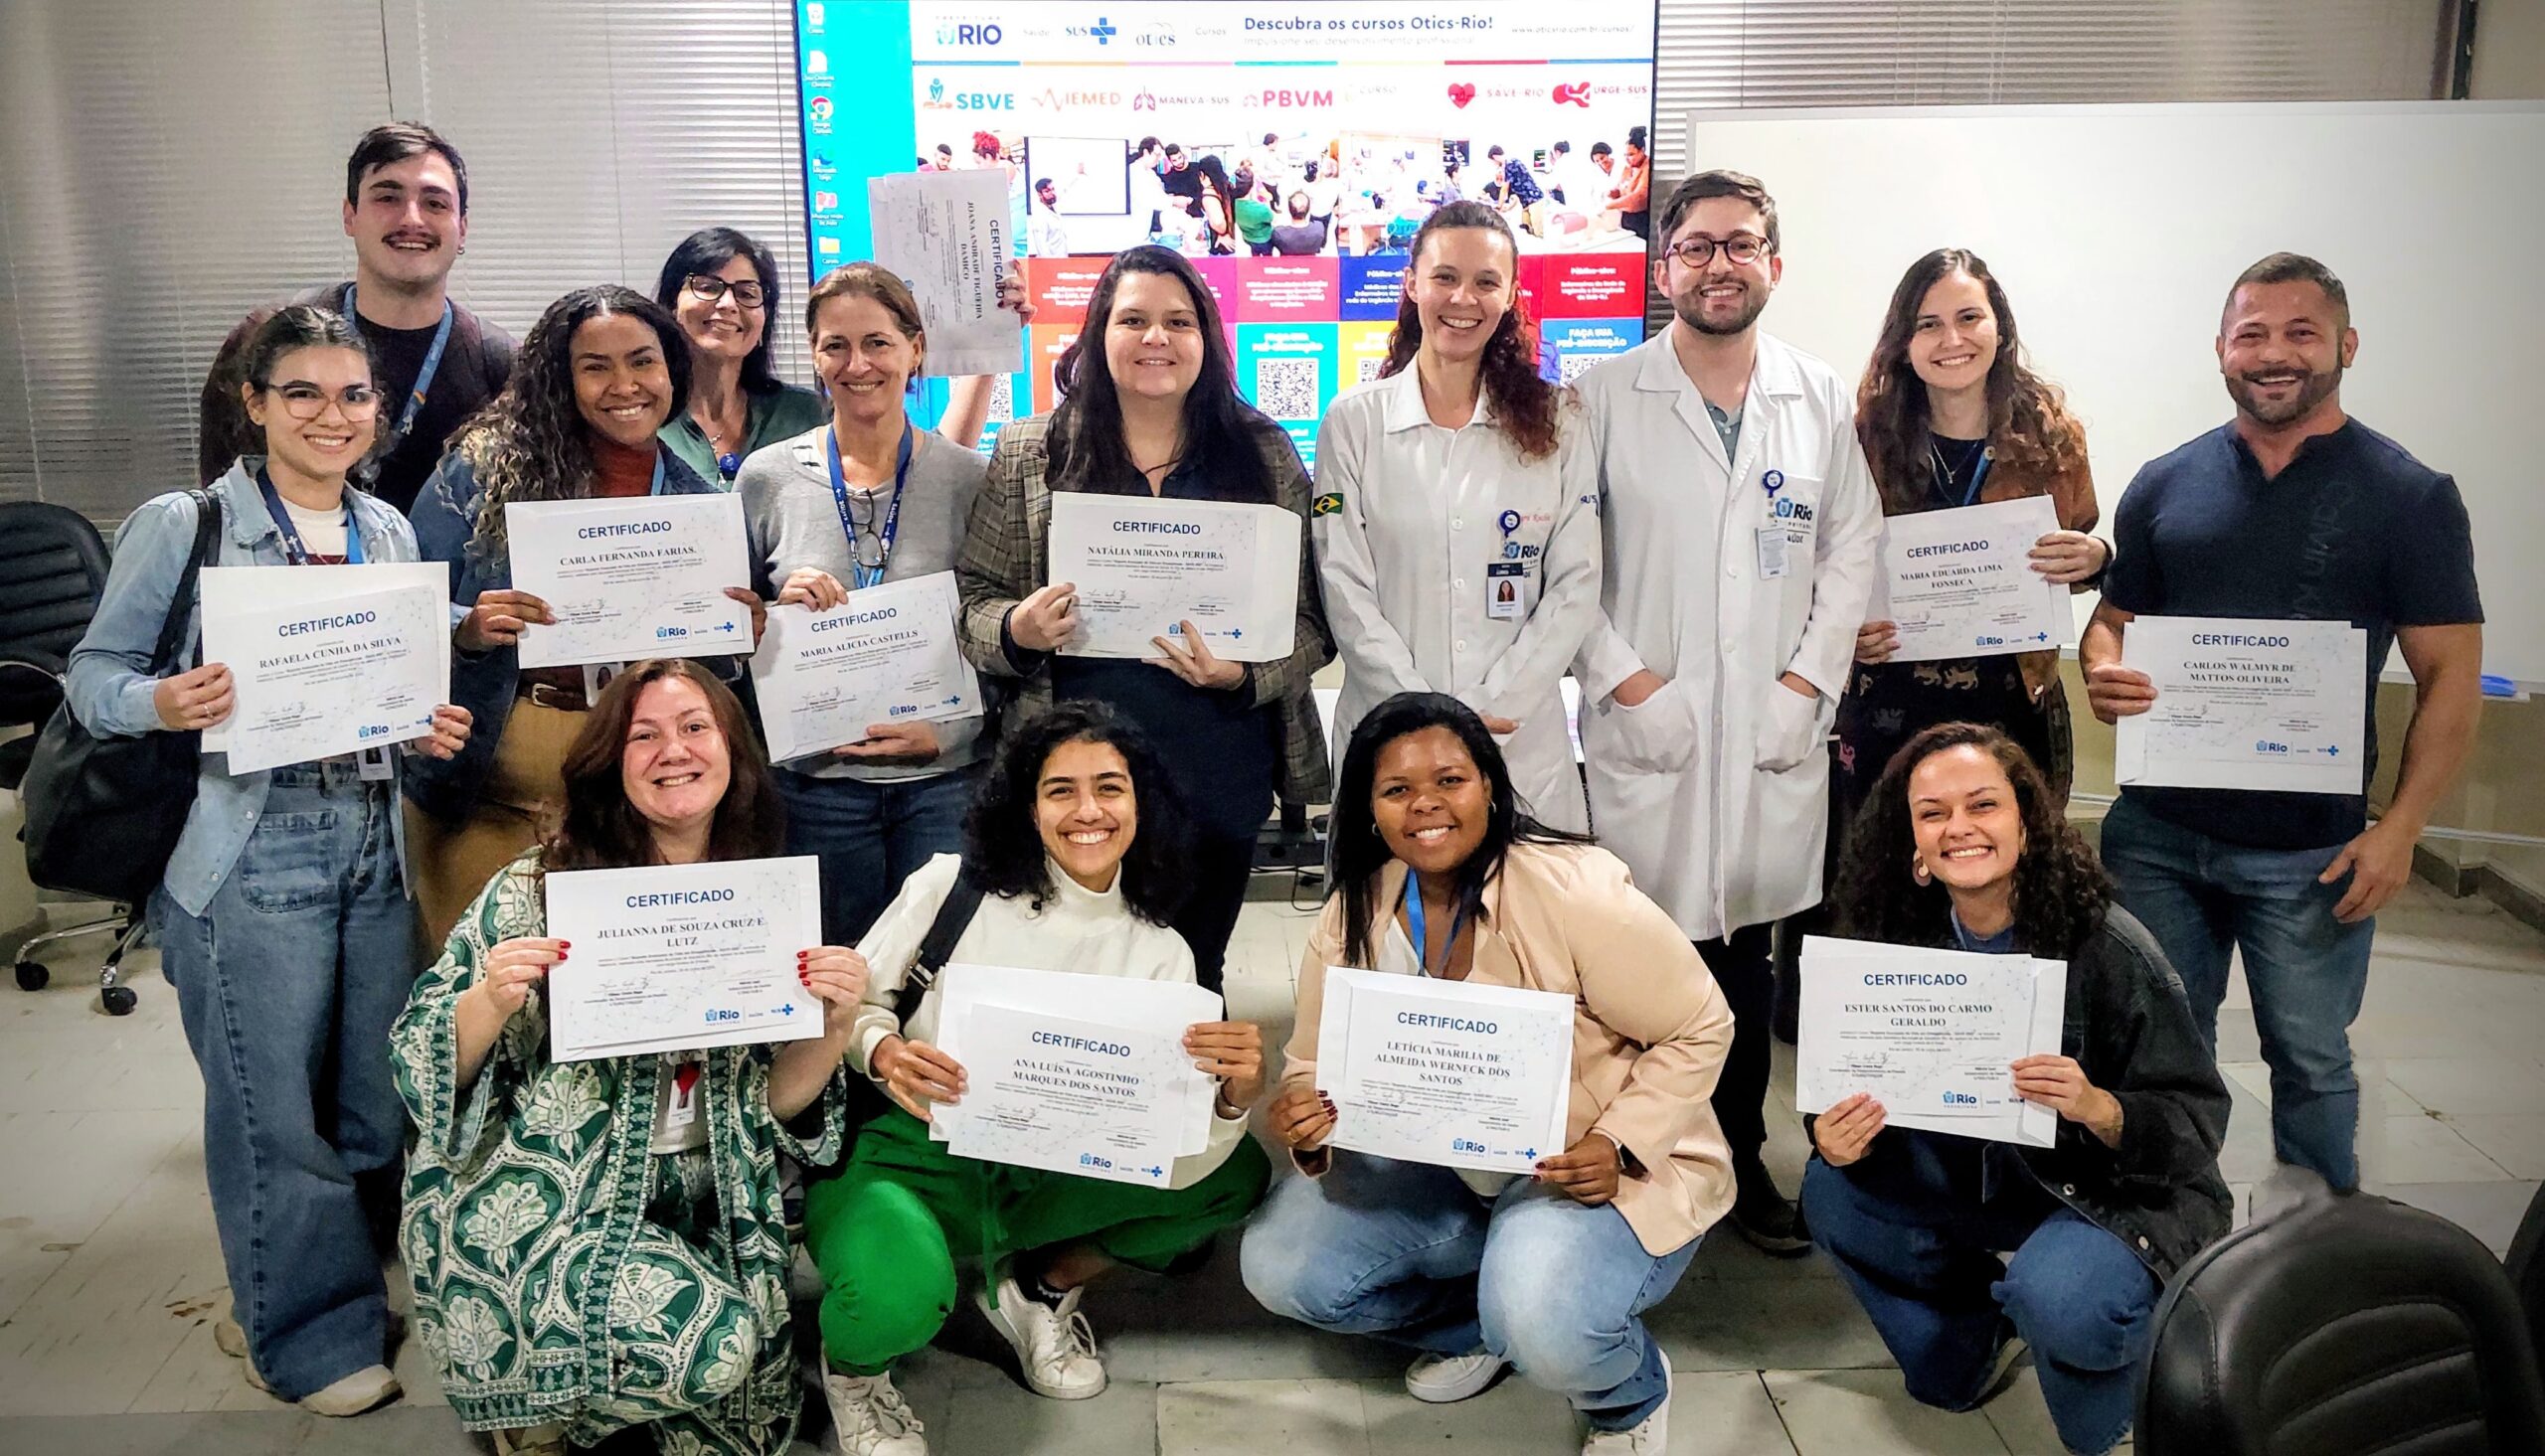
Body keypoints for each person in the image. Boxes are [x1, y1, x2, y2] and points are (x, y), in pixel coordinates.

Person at [69, 304, 474, 1416]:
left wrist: (424, 725)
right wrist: (162, 698)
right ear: (255, 404)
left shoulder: (386, 529)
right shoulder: (187, 521)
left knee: (369, 1101)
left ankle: (337, 1283)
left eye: (351, 395)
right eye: (301, 392)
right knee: (269, 1114)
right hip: (249, 846)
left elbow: (386, 695)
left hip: (373, 843)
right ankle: (299, 1334)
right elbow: (91, 679)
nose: (330, 415)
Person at [2081, 252, 2484, 1191]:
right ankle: (2168, 1238)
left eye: (2301, 333)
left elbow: (2450, 676)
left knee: (2309, 1057)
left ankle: (2318, 1269)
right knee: (2157, 1054)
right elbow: (2113, 623)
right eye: (2252, 333)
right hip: (2158, 840)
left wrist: (2403, 829)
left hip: (2312, 851)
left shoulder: (2409, 496)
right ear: (2221, 349)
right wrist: (2104, 669)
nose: (2274, 354)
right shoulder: (2165, 481)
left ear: (2346, 345)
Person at [392, 660, 864, 1456]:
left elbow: (778, 1107)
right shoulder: (537, 886)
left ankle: (605, 1395)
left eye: (693, 728)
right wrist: (489, 1000)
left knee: (754, 1428)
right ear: (611, 761)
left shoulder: (763, 902)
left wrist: (835, 1021)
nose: (671, 750)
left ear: (733, 753)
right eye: (643, 735)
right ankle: (536, 1408)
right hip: (541, 1207)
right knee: (715, 1348)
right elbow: (417, 1063)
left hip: (705, 1203)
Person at [1242, 694, 1733, 1455]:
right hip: (1445, 1172)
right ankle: (1484, 1327)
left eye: (1450, 780)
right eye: (1396, 789)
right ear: (1369, 808)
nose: (1425, 805)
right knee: (1280, 1265)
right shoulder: (1354, 909)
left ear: (1491, 788)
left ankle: (1627, 1395)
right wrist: (1303, 1113)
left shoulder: (1574, 892)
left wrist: (1620, 1143)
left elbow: (1702, 1022)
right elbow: (1311, 1060)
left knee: (1545, 1316)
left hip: (1578, 1170)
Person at [802, 703, 1272, 1454]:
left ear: (1140, 803)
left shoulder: (1162, 951)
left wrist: (1228, 1101)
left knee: (1235, 1175)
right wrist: (883, 1049)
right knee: (896, 1295)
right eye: (1061, 790)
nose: (1088, 811)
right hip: (910, 1154)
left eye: (1110, 788)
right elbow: (854, 1000)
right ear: (1027, 804)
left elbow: (1174, 1153)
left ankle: (1037, 1287)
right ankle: (856, 1370)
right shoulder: (954, 888)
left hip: (1051, 1170)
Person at [1569, 170, 1882, 1253]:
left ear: (1773, 264)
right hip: (1645, 731)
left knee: (1745, 962)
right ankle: (1630, 1152)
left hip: (1767, 734)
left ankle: (1739, 1157)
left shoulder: (1817, 394)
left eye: (1739, 245)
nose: (1718, 264)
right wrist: (1622, 679)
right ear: (1663, 269)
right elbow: (1568, 561)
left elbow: (1852, 548)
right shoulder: (1602, 395)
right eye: (1695, 247)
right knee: (1633, 962)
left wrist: (1807, 685)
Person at [1809, 722, 2232, 1456]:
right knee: (1830, 1190)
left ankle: (2125, 1408)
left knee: (2062, 1296)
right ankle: (1969, 1350)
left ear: (2027, 823)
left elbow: (2199, 1122)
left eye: (1983, 805)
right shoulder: (1891, 943)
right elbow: (1840, 1081)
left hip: (2101, 1189)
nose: (1959, 828)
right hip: (1977, 1177)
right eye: (1933, 813)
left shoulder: (2110, 945)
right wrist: (1831, 1130)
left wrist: (2099, 1106)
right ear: (1913, 843)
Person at [956, 244, 1334, 993]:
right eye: (1133, 319)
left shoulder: (1261, 451)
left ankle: (1195, 1113)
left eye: (1178, 321)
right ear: (1100, 332)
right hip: (1074, 780)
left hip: (1217, 766)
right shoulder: (1034, 450)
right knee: (1072, 976)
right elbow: (973, 599)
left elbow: (1314, 620)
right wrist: (1015, 630)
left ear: (1207, 338)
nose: (1156, 338)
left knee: (1197, 972)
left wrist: (1249, 670)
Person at [406, 285, 762, 944]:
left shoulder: (697, 499)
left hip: (637, 789)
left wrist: (739, 639)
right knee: (484, 991)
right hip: (494, 786)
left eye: (642, 361)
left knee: (610, 989)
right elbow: (405, 610)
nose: (623, 383)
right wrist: (467, 625)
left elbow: (704, 667)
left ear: (673, 371)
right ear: (560, 378)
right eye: (595, 365)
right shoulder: (483, 471)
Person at [737, 262, 1023, 945]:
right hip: (816, 787)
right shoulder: (766, 478)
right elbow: (727, 634)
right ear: (814, 355)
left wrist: (954, 731)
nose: (857, 363)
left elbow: (995, 624)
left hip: (943, 780)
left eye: (878, 342)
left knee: (939, 971)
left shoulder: (967, 478)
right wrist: (770, 612)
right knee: (832, 975)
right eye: (835, 344)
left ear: (915, 348)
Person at [1315, 202, 1599, 835]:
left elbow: (1577, 581)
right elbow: (1343, 582)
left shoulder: (1561, 421)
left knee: (1529, 923)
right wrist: (1421, 711)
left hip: (1516, 733)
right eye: (1445, 277)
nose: (1462, 298)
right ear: (1412, 283)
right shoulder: (1355, 421)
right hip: (1387, 728)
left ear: (1511, 295)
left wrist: (1495, 702)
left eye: (1486, 282)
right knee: (1391, 925)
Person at [1840, 247, 2105, 829]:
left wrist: (2094, 558)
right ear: (1903, 343)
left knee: (2013, 882)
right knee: (1885, 890)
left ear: (1999, 327)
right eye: (1927, 324)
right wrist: (1843, 630)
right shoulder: (1864, 438)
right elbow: (1825, 564)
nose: (1950, 339)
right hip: (1890, 699)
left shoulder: (2051, 435)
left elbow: (2080, 551)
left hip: (2015, 701)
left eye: (1968, 317)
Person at [199, 123, 516, 515]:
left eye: (435, 203)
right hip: (294, 573)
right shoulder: (267, 341)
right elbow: (224, 505)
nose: (412, 219)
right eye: (387, 197)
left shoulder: (503, 367)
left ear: (462, 228)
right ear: (350, 216)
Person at [654, 228, 829, 486]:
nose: (728, 304)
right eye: (707, 287)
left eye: (747, 294)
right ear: (671, 306)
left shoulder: (809, 417)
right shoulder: (646, 418)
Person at [1608, 128, 1650, 242]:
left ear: (1642, 150)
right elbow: (1620, 188)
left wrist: (1608, 206)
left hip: (1641, 219)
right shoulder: (1628, 168)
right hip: (1626, 217)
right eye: (1625, 155)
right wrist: (1612, 193)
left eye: (1631, 154)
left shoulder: (1648, 168)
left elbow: (1638, 196)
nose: (1627, 158)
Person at [1193, 154, 1238, 255]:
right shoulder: (1227, 186)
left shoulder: (1209, 195)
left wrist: (1222, 234)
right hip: (1233, 241)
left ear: (1202, 174)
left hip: (1220, 245)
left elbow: (1218, 222)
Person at [1234, 171, 1278, 256]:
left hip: (1248, 237)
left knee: (1255, 255)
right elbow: (1273, 218)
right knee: (1267, 258)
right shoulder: (1260, 208)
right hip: (1264, 239)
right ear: (1251, 187)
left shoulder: (1232, 204)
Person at [1270, 193, 1327, 257]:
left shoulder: (1279, 233)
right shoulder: (1319, 228)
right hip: (1311, 262)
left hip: (1288, 263)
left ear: (1289, 209)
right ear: (1308, 209)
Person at [1030, 176, 1071, 256]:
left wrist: (1077, 175)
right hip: (1050, 263)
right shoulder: (1039, 216)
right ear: (1039, 194)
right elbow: (1041, 247)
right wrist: (1050, 266)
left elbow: (1065, 190)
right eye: (1047, 191)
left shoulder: (1053, 206)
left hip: (1062, 259)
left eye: (1052, 189)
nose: (1052, 193)